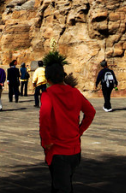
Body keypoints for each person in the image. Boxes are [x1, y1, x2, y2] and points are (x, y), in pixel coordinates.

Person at [39, 63, 95, 193]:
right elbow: (90, 112)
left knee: (61, 187)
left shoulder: (48, 94)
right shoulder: (75, 92)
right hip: (74, 149)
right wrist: (80, 130)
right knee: (64, 183)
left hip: (57, 149)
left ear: (48, 79)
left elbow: (45, 118)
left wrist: (46, 141)